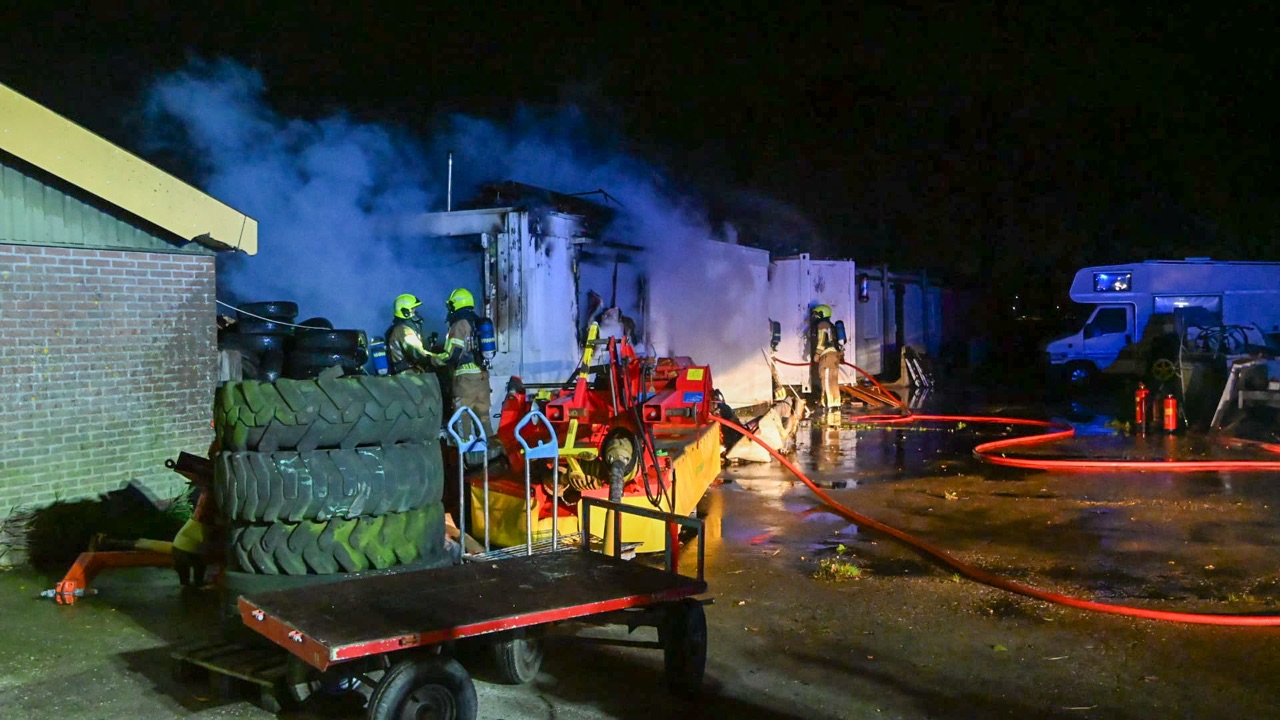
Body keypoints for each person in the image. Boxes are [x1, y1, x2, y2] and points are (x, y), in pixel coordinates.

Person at [430, 288, 492, 455]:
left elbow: (453, 354)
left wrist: (434, 359)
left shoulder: (458, 324)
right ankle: (491, 457)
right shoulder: (477, 322)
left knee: (462, 419)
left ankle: (465, 460)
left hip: (465, 381)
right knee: (484, 420)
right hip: (482, 378)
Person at [385, 293, 434, 375]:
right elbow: (415, 353)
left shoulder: (402, 328)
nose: (416, 313)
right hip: (407, 376)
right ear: (405, 312)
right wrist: (435, 359)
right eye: (413, 309)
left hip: (409, 374)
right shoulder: (404, 330)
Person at [809, 304, 842, 421]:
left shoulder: (822, 325)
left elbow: (822, 340)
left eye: (816, 314)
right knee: (833, 380)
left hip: (826, 356)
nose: (815, 317)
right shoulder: (831, 326)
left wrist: (817, 354)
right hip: (834, 356)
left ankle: (830, 406)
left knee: (827, 380)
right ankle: (835, 404)